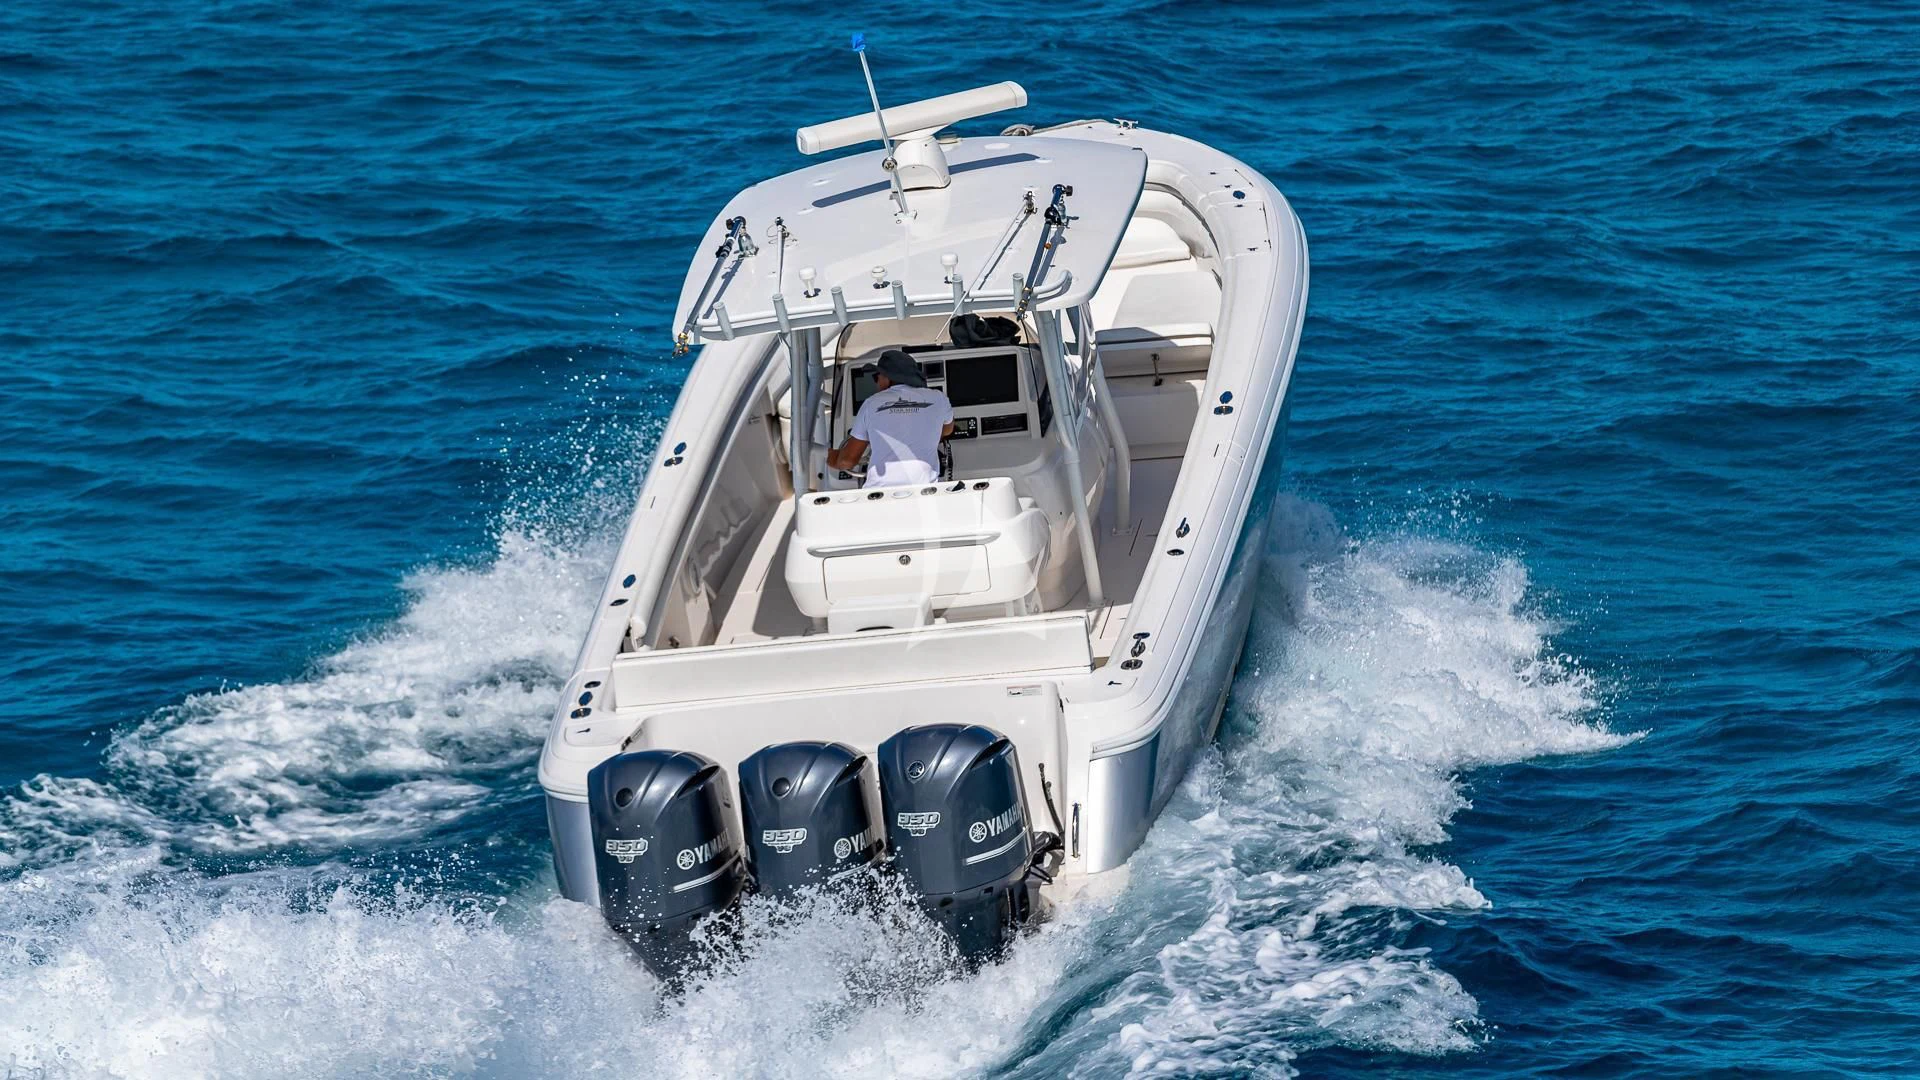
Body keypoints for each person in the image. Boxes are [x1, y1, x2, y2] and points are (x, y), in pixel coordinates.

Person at [829, 349, 954, 488]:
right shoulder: (938, 398)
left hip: (881, 494)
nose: (876, 382)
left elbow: (846, 462)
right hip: (925, 491)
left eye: (877, 377)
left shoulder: (871, 403)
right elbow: (947, 430)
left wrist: (830, 457)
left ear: (888, 378)